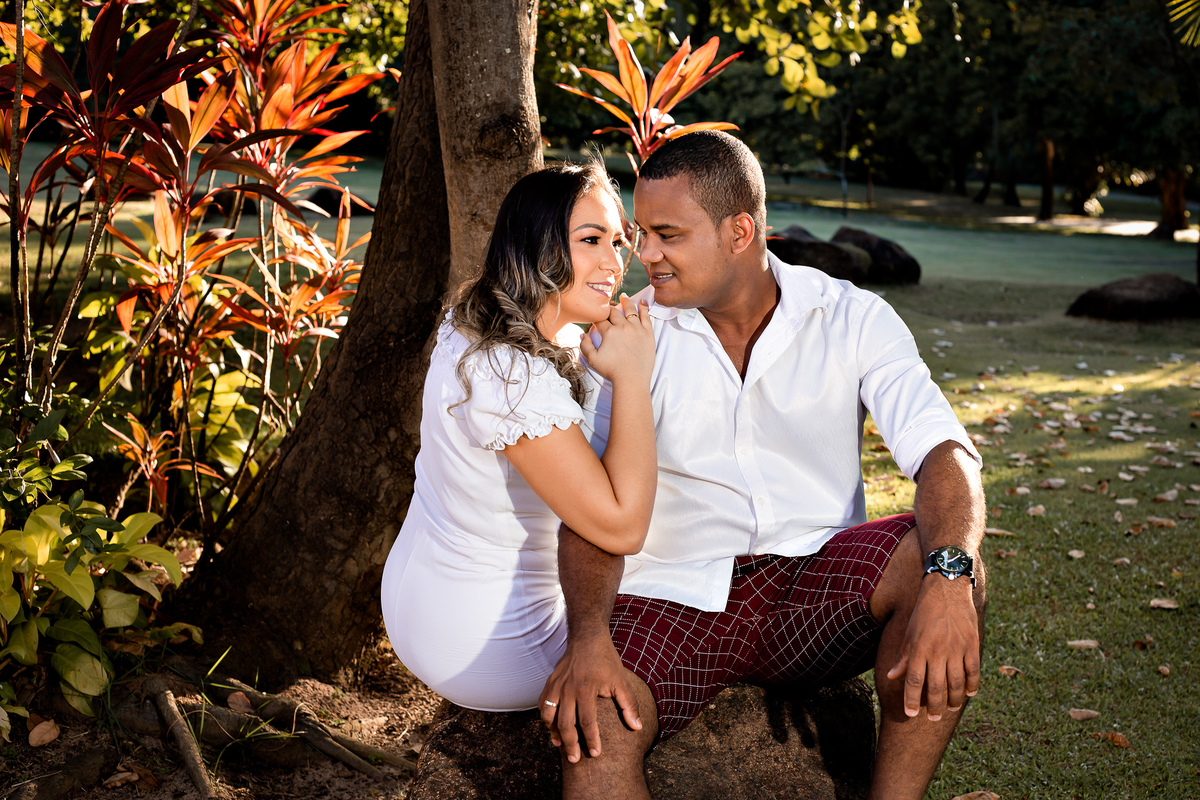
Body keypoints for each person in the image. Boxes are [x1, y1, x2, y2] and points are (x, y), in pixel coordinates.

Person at [538, 131, 988, 800]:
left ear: (739, 232)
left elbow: (944, 453)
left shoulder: (853, 318)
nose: (645, 256)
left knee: (950, 564)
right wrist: (589, 638)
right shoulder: (628, 337)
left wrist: (949, 581)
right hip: (673, 597)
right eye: (641, 233)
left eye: (667, 234)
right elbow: (593, 506)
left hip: (816, 590)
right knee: (594, 725)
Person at [381, 161, 656, 712]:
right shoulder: (511, 377)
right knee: (687, 573)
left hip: (421, 599)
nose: (614, 260)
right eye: (590, 239)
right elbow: (623, 527)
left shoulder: (473, 320)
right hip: (490, 643)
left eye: (620, 241)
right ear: (538, 245)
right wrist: (633, 377)